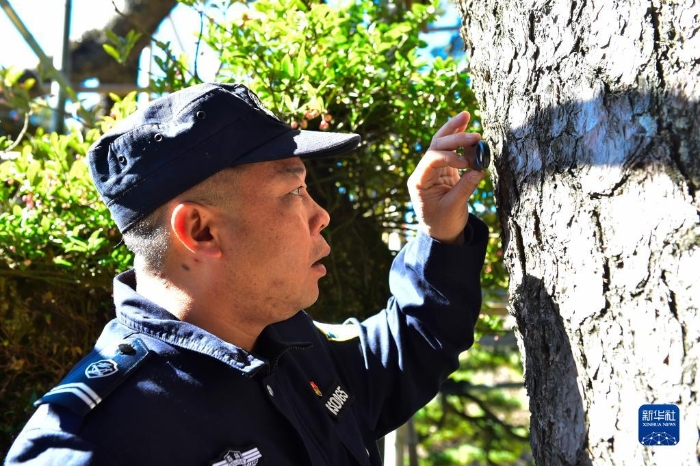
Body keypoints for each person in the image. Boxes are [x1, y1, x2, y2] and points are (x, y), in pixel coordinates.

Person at [5, 82, 488, 465]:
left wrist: (439, 234)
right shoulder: (91, 442)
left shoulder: (290, 349)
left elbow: (413, 342)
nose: (321, 215)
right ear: (201, 230)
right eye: (294, 191)